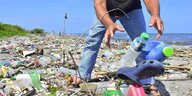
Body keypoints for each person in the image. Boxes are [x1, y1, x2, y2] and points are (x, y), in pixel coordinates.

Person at [73, 0, 163, 95]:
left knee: (142, 43)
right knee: (92, 41)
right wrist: (109, 24)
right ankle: (83, 75)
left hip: (132, 9)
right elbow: (99, 4)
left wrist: (155, 14)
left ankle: (146, 82)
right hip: (106, 10)